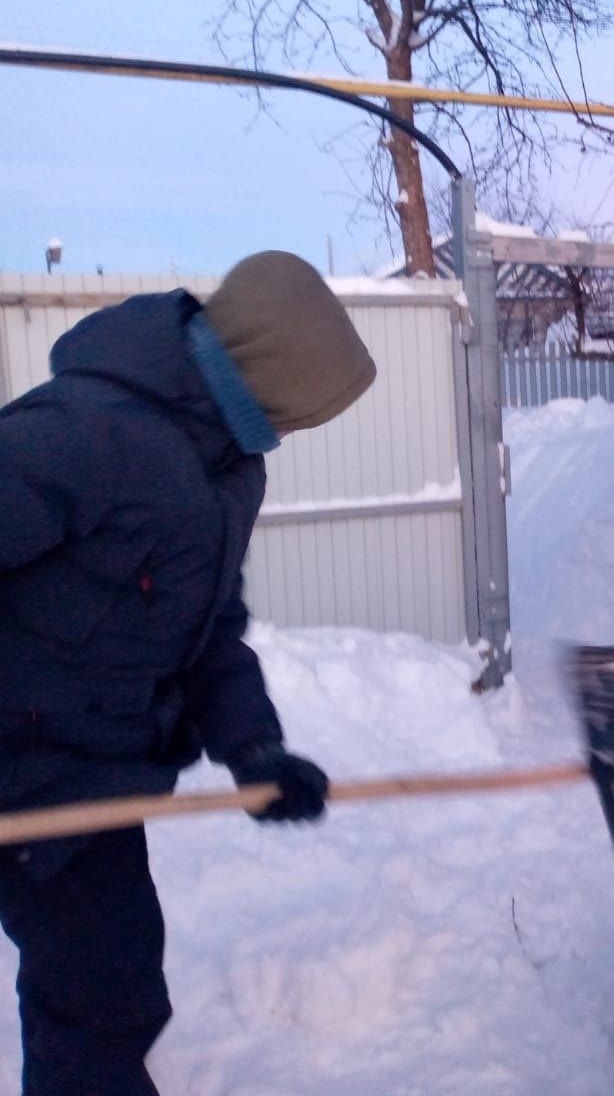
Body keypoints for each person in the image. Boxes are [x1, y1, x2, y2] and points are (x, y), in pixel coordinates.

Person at [0, 251, 376, 1094]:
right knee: (99, 994)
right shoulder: (90, 432)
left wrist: (257, 754)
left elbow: (210, 636)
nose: (300, 427)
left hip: (93, 774)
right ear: (274, 370)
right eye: (307, 405)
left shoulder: (228, 472)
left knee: (115, 983)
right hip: (21, 766)